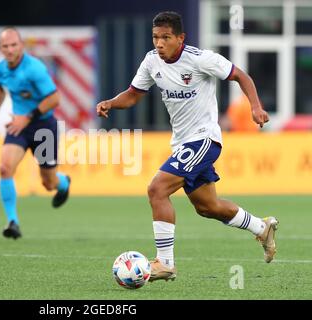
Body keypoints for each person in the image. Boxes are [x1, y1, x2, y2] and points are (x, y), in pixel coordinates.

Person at [96, 12, 278, 282]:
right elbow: (134, 94)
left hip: (205, 139)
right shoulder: (151, 61)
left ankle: (165, 263)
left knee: (157, 189)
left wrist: (255, 106)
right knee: (208, 207)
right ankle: (261, 228)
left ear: (180, 38)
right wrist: (111, 102)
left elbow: (241, 76)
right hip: (182, 142)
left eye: (166, 38)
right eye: (156, 37)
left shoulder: (201, 59)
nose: (159, 43)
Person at [0, 28, 71, 240]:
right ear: (1, 49)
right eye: (5, 46)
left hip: (43, 127)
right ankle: (12, 222)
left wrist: (27, 116)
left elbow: (54, 99)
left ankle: (64, 183)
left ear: (21, 45)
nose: (10, 49)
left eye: (14, 45)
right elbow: (0, 89)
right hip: (19, 127)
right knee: (5, 168)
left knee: (48, 183)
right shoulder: (0, 69)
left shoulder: (35, 69)